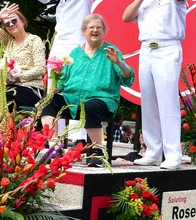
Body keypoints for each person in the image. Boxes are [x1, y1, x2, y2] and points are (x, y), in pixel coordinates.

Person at [121, 0, 187, 170]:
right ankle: (152, 151)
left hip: (167, 48)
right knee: (148, 101)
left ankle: (172, 155)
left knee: (167, 102)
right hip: (146, 50)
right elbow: (126, 17)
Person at [40, 14, 134, 166]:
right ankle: (54, 147)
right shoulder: (75, 53)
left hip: (102, 100)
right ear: (84, 31)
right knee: (47, 102)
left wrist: (119, 63)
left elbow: (127, 78)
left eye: (99, 27)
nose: (95, 30)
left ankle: (98, 152)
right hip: (72, 100)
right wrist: (56, 75)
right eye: (91, 27)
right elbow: (63, 84)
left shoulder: (111, 51)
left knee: (90, 106)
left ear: (104, 31)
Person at [0, 2, 47, 111]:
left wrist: (18, 78)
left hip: (30, 88)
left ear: (23, 22)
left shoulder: (34, 40)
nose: (10, 24)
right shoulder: (9, 41)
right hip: (9, 87)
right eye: (7, 24)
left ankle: (0, 125)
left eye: (14, 20)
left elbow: (40, 69)